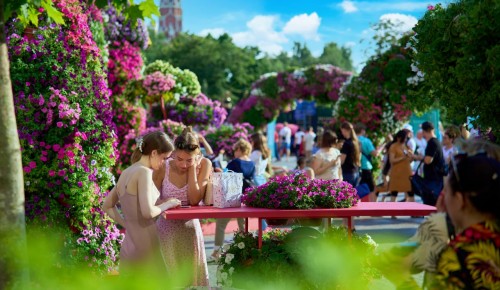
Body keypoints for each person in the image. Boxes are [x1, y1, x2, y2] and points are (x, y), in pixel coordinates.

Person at [378, 139, 500, 289]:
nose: (442, 196)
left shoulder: (456, 258)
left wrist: (402, 279)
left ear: (460, 199)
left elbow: (407, 262)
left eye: (447, 191)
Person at [102, 131, 181, 272]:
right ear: (154, 153)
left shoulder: (126, 172)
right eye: (164, 158)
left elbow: (107, 206)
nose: (164, 163)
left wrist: (127, 223)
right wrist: (169, 204)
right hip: (146, 246)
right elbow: (147, 212)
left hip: (129, 244)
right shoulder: (143, 172)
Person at [153, 126, 211, 286]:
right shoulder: (163, 166)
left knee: (192, 281)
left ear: (198, 156)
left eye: (189, 160)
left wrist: (193, 169)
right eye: (179, 159)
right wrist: (162, 203)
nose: (183, 164)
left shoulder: (204, 164)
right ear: (172, 153)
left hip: (190, 230)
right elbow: (151, 197)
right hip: (166, 230)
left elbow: (193, 199)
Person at [210, 139, 254, 262]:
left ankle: (216, 252)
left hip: (231, 196)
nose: (234, 152)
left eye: (235, 150)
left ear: (239, 149)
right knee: (243, 226)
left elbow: (225, 174)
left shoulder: (235, 162)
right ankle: (246, 249)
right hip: (245, 197)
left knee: (221, 225)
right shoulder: (252, 163)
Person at [414, 121, 446, 205]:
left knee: (431, 204)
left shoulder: (432, 143)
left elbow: (428, 160)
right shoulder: (435, 142)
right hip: (434, 178)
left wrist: (417, 157)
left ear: (424, 131)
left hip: (433, 179)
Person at [355, 123, 382, 200]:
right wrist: (382, 147)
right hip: (365, 166)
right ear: (362, 131)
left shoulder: (353, 140)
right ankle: (373, 207)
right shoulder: (366, 141)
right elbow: (375, 153)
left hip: (355, 167)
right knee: (371, 188)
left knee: (357, 187)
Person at [388, 130, 415, 202]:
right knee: (394, 192)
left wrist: (411, 157)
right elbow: (392, 160)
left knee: (410, 191)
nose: (405, 140)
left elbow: (409, 159)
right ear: (398, 138)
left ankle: (413, 210)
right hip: (397, 172)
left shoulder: (406, 146)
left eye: (406, 138)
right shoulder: (394, 146)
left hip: (407, 172)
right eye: (404, 138)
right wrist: (403, 158)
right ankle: (393, 210)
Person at [339, 121, 361, 186]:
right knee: (353, 194)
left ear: (345, 130)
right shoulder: (357, 142)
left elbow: (342, 161)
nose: (342, 133)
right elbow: (359, 157)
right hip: (356, 171)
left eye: (342, 131)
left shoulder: (346, 143)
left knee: (346, 195)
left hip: (347, 172)